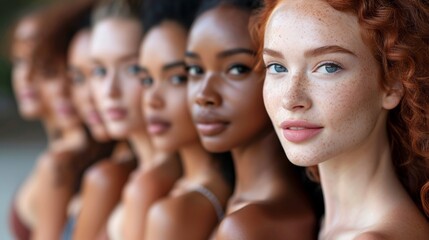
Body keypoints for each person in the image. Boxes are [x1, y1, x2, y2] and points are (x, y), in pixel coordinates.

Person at [258, 0, 429, 239]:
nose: (291, 98)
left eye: (328, 67)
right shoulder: (319, 224)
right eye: (277, 67)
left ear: (392, 84)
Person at [186, 0, 319, 239]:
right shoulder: (225, 205)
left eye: (237, 69)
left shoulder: (251, 226)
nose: (204, 96)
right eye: (195, 70)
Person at [139, 0, 234, 239]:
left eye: (177, 78)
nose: (152, 100)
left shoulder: (176, 212)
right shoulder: (169, 183)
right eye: (146, 80)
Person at [88, 0, 181, 239]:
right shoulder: (129, 166)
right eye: (99, 71)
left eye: (131, 70)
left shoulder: (150, 185)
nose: (110, 90)